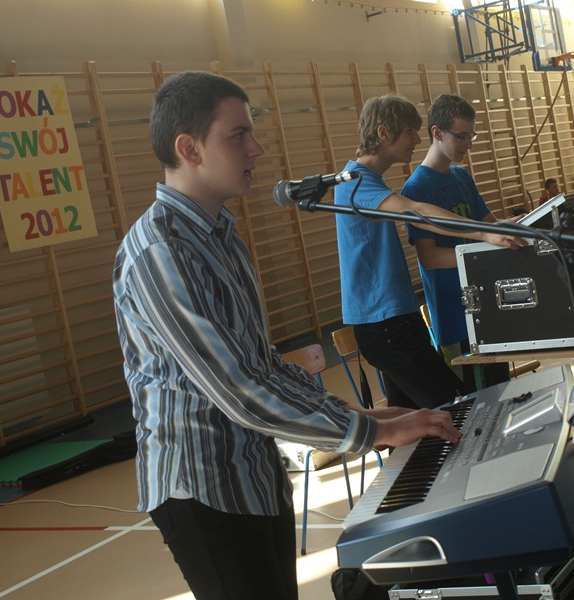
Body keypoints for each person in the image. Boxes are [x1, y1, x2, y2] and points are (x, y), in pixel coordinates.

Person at [113, 72, 461, 600]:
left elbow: (262, 366)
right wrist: (373, 433)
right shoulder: (161, 252)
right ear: (189, 149)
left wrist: (364, 416)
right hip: (202, 486)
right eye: (238, 135)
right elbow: (240, 392)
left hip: (254, 472)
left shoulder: (221, 236)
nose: (257, 148)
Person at [334, 94, 521, 410]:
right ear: (383, 133)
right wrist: (482, 233)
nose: (417, 139)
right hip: (384, 323)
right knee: (457, 409)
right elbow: (417, 211)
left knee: (412, 421)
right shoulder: (355, 182)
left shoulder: (368, 181)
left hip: (397, 319)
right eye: (410, 131)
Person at [401, 94, 509, 391]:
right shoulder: (416, 189)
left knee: (502, 390)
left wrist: (524, 224)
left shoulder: (462, 177)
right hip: (454, 317)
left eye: (471, 135)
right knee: (472, 402)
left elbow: (490, 226)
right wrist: (484, 247)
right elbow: (430, 258)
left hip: (488, 307)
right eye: (461, 136)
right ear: (437, 133)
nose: (468, 144)